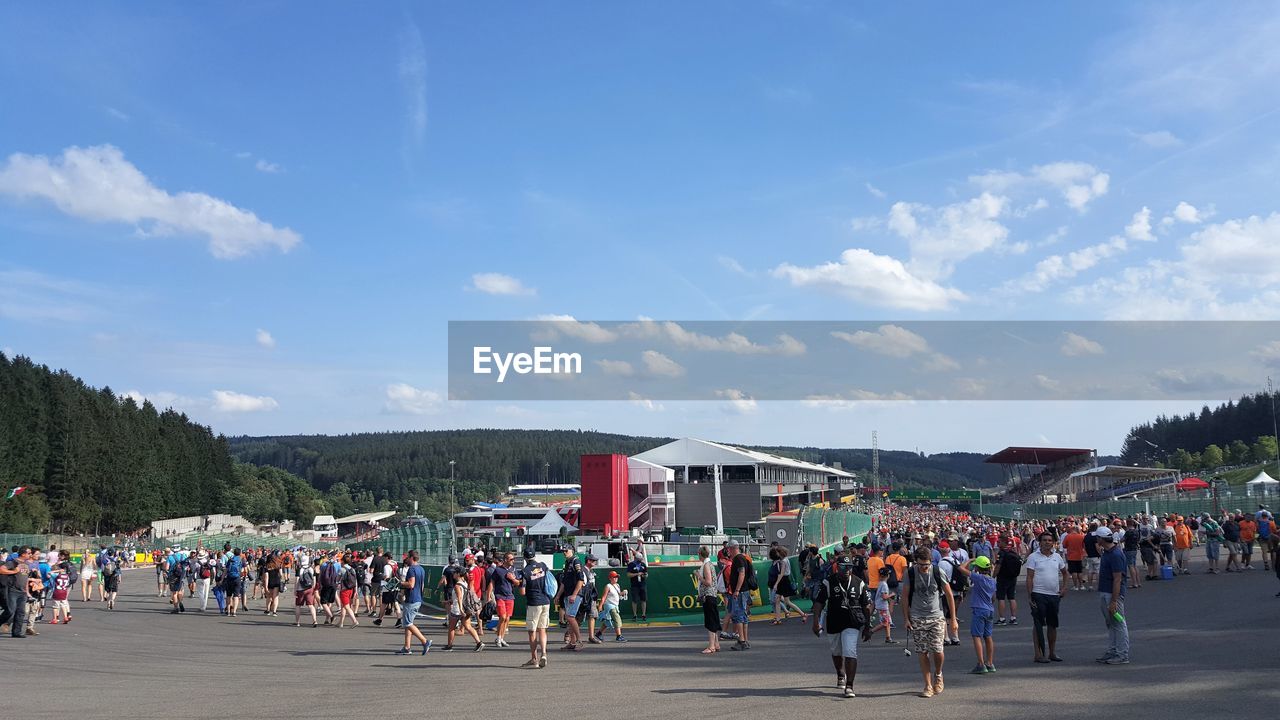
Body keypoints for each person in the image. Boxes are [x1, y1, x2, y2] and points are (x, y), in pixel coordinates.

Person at [811, 555, 873, 698]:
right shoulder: (829, 582)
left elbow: (866, 606)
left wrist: (868, 627)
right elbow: (819, 602)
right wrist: (816, 622)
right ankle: (840, 673)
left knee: (850, 651)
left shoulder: (859, 583)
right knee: (836, 651)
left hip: (852, 622)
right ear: (837, 567)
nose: (846, 570)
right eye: (844, 567)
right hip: (833, 621)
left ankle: (850, 686)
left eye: (849, 567)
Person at [903, 547, 958, 698]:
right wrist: (906, 618)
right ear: (916, 562)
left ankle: (938, 674)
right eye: (921, 565)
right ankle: (927, 685)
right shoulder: (910, 573)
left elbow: (949, 594)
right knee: (922, 651)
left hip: (936, 616)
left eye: (926, 565)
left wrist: (953, 619)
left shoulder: (937, 571)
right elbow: (905, 597)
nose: (924, 568)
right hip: (917, 617)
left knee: (938, 650)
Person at [1025, 531, 1069, 663]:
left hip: (1054, 595)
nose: (1047, 542)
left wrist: (1064, 588)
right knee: (1038, 624)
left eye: (1049, 540)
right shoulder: (1033, 557)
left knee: (1052, 624)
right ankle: (1038, 654)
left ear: (1053, 542)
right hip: (1038, 594)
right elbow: (1029, 577)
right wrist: (1029, 596)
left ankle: (1052, 653)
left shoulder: (1057, 557)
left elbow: (1065, 573)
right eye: (1044, 540)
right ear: (1040, 542)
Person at [953, 555, 995, 674]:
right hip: (990, 609)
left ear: (978, 567)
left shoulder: (978, 578)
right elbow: (993, 598)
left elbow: (960, 568)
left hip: (979, 609)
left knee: (977, 636)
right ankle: (990, 662)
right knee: (988, 636)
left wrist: (970, 560)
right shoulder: (992, 580)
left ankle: (981, 664)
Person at [1094, 527, 1129, 664]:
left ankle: (1122, 654)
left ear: (1101, 539)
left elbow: (1118, 579)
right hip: (1105, 591)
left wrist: (1114, 600)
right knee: (1111, 623)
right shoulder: (1108, 552)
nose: (1096, 540)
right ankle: (1113, 650)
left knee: (1119, 623)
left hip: (1112, 594)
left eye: (1097, 537)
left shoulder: (1115, 554)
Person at [515, 545, 553, 668]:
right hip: (546, 601)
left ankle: (534, 659)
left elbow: (522, 592)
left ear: (525, 558)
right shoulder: (543, 565)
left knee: (532, 632)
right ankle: (544, 654)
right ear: (534, 555)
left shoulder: (525, 572)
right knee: (542, 629)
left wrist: (517, 583)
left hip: (533, 603)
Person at [394, 550, 432, 655]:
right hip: (418, 598)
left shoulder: (411, 569)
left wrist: (400, 583)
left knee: (407, 623)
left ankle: (425, 641)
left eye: (408, 557)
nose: (406, 559)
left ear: (411, 558)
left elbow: (411, 584)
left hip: (412, 599)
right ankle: (407, 647)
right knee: (408, 623)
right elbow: (422, 585)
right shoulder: (421, 569)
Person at [725, 539, 755, 651]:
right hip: (743, 591)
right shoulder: (743, 558)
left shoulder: (738, 559)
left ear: (733, 548)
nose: (728, 551)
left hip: (740, 591)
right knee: (743, 616)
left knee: (738, 615)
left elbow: (741, 574)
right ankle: (744, 640)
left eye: (728, 549)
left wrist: (736, 590)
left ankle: (742, 640)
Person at [0, 547, 33, 637]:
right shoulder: (13, 562)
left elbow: (25, 579)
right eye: (29, 553)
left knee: (21, 612)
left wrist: (27, 591)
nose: (30, 555)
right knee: (10, 611)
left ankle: (16, 632)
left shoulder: (26, 565)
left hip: (22, 592)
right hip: (13, 590)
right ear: (23, 554)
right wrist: (14, 571)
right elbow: (1, 570)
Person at [486, 552, 517, 647]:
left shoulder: (513, 569)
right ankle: (499, 638)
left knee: (507, 619)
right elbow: (492, 582)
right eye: (511, 559)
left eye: (513, 559)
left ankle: (501, 638)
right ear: (506, 560)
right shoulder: (498, 570)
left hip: (510, 596)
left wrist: (513, 579)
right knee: (502, 617)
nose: (513, 561)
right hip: (500, 596)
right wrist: (488, 596)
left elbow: (518, 583)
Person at [768, 546, 806, 624]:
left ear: (780, 553)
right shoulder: (785, 560)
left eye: (777, 552)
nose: (777, 554)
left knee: (786, 601)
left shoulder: (783, 561)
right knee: (777, 599)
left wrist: (776, 584)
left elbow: (781, 574)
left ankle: (803, 614)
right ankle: (778, 619)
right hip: (784, 580)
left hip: (784, 581)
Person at [696, 546, 721, 654]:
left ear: (700, 554)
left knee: (710, 621)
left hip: (709, 596)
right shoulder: (710, 564)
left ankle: (711, 646)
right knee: (713, 620)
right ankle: (716, 644)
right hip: (712, 596)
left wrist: (698, 576)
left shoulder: (706, 565)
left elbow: (709, 582)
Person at [993, 539, 1022, 625]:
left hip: (1002, 578)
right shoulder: (1013, 552)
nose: (998, 543)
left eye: (999, 542)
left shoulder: (1001, 553)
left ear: (1003, 542)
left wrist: (993, 576)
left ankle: (1002, 619)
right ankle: (1013, 617)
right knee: (1011, 598)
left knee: (1001, 598)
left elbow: (998, 565)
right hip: (1012, 577)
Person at [596, 571, 627, 642]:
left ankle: (599, 633)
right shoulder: (608, 586)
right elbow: (604, 597)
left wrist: (623, 593)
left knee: (608, 620)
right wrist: (600, 606)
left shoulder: (617, 585)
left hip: (615, 605)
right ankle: (619, 636)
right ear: (610, 578)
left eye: (616, 577)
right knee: (617, 619)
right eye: (614, 577)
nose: (616, 578)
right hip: (609, 606)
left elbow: (619, 594)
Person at [293, 556, 319, 628]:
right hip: (310, 589)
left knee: (298, 605)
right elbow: (314, 580)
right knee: (311, 605)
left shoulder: (299, 569)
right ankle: (314, 620)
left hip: (300, 590)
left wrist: (295, 590)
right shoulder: (311, 569)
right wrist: (313, 588)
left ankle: (297, 622)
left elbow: (297, 581)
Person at [626, 550, 648, 622]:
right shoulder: (631, 565)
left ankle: (643, 614)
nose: (639, 561)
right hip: (634, 585)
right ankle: (635, 615)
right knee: (634, 600)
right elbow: (628, 575)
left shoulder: (643, 565)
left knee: (643, 599)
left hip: (642, 584)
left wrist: (644, 575)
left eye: (640, 559)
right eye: (638, 559)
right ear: (635, 558)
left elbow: (646, 574)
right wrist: (636, 574)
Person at [1062, 525, 1086, 590]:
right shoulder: (1081, 536)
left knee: (1073, 572)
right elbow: (1084, 546)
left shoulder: (1068, 536)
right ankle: (1081, 586)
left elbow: (1064, 545)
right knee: (1080, 571)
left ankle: (1075, 586)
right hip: (1079, 556)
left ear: (1071, 530)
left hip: (1071, 556)